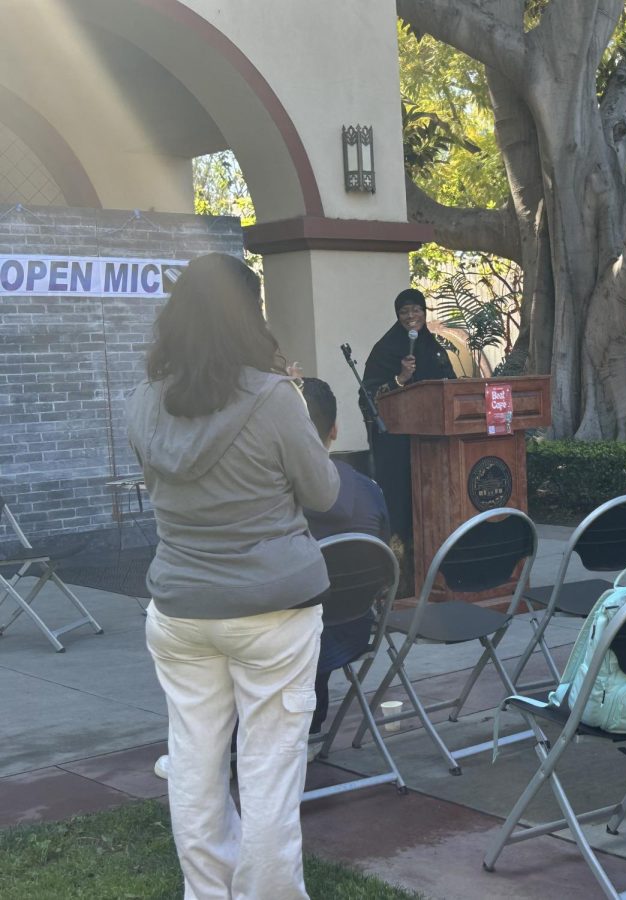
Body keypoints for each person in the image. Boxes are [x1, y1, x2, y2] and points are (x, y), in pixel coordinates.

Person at [128, 253, 340, 900]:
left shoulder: (142, 402)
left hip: (181, 611)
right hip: (274, 612)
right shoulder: (275, 399)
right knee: (270, 768)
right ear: (250, 315)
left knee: (194, 765)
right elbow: (325, 493)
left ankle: (208, 892)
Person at [299, 378, 390, 740]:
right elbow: (383, 552)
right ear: (334, 429)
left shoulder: (275, 501)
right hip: (356, 626)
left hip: (297, 639)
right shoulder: (370, 489)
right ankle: (312, 725)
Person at [361, 288, 456, 541]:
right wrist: (399, 379)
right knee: (402, 503)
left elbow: (452, 388)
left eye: (416, 310)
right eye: (404, 311)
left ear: (424, 313)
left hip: (433, 443)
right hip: (398, 445)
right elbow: (367, 397)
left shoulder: (435, 348)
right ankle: (401, 555)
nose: (410, 316)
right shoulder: (385, 349)